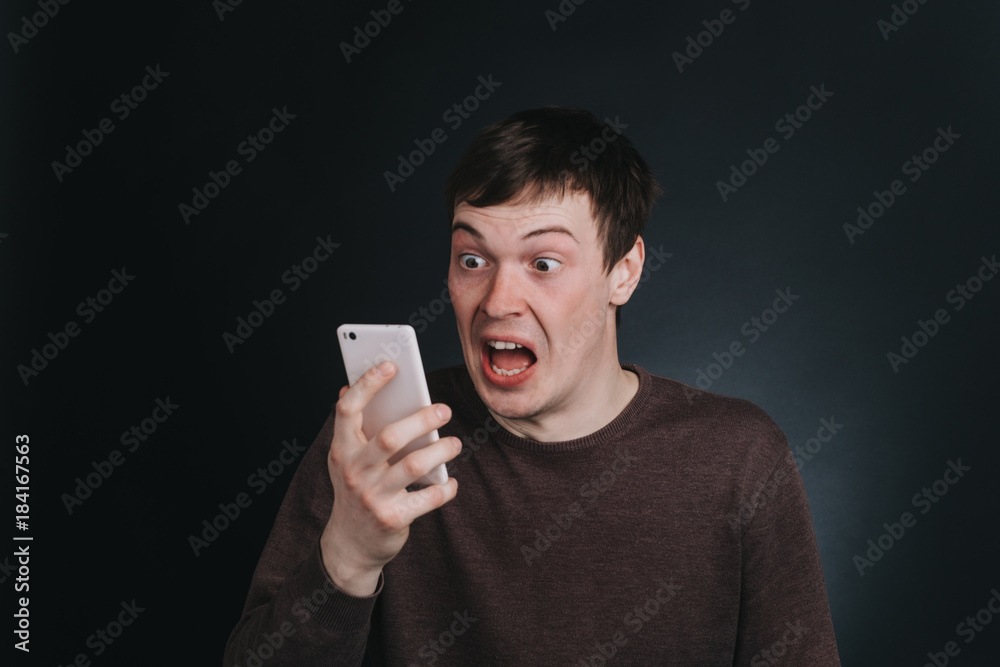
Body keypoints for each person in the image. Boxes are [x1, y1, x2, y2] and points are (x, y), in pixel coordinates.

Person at [224, 107, 842, 666]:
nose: (498, 301)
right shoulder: (378, 446)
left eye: (543, 264)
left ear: (623, 271)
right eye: (473, 260)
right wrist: (348, 559)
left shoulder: (739, 457)